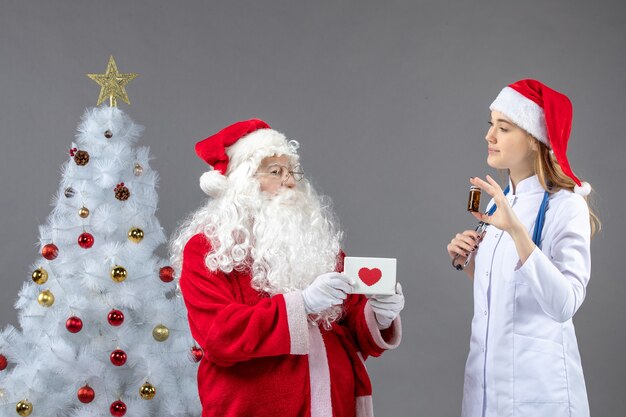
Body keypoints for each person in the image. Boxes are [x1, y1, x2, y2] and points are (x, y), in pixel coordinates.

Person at [170, 119, 404, 417]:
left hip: (336, 404)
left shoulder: (316, 242)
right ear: (243, 182)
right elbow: (218, 335)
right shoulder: (206, 249)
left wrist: (379, 314)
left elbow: (351, 323)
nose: (291, 181)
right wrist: (300, 304)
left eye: (292, 171)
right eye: (276, 172)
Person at [446, 79, 600, 417]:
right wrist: (468, 262)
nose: (490, 136)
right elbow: (511, 293)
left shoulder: (565, 205)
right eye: (491, 125)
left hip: (537, 392)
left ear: (534, 139)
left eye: (503, 128)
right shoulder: (498, 206)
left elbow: (564, 303)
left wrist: (516, 230)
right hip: (486, 391)